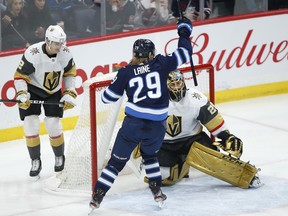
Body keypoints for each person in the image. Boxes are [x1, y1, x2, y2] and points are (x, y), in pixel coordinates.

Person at [89, 16, 193, 210]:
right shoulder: (161, 63)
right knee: (151, 158)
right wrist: (184, 30)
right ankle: (157, 194)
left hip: (133, 126)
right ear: (152, 53)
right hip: (156, 127)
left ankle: (97, 197)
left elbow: (107, 99)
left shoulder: (125, 72)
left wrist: (118, 81)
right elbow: (185, 52)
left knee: (114, 164)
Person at [150, 70, 262, 188]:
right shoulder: (154, 101)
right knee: (162, 176)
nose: (177, 87)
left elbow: (213, 121)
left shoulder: (196, 99)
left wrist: (227, 137)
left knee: (214, 161)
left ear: (184, 82)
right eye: (173, 85)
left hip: (192, 140)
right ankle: (182, 165)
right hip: (164, 144)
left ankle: (246, 176)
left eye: (179, 83)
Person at [13, 25, 77, 178]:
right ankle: (35, 160)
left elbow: (70, 73)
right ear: (47, 41)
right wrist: (22, 93)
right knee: (31, 124)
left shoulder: (65, 53)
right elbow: (20, 76)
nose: (60, 47)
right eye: (56, 43)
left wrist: (69, 92)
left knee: (53, 125)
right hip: (33, 90)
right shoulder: (32, 53)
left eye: (62, 43)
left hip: (53, 91)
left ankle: (59, 156)